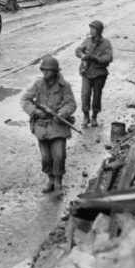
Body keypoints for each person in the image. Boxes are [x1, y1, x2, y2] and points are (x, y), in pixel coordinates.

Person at [21, 56, 77, 197]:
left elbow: (71, 104)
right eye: (43, 70)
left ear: (55, 71)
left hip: (58, 126)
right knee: (46, 158)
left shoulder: (64, 86)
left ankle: (58, 182)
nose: (44, 72)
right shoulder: (38, 84)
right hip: (42, 126)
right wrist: (35, 111)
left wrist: (61, 114)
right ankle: (50, 180)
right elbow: (25, 99)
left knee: (59, 155)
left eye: (48, 70)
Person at [74, 20, 113, 127]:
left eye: (93, 29)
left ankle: (94, 116)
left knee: (97, 96)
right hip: (86, 72)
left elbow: (109, 58)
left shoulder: (106, 43)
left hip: (99, 73)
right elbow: (77, 50)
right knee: (85, 94)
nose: (91, 31)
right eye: (90, 28)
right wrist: (82, 55)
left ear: (99, 31)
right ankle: (86, 116)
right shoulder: (87, 41)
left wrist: (94, 58)